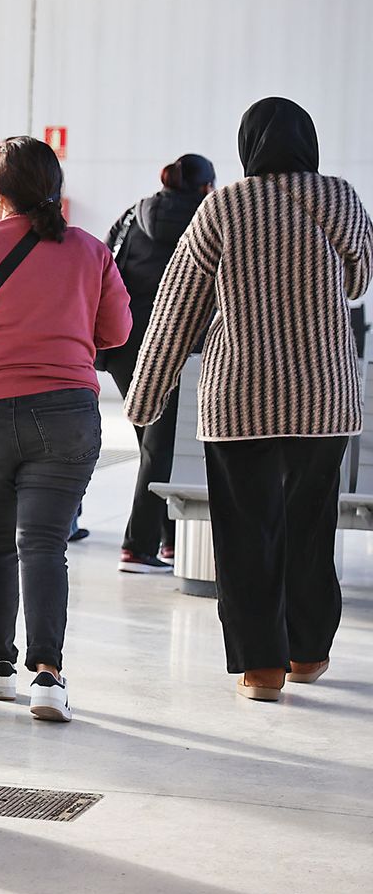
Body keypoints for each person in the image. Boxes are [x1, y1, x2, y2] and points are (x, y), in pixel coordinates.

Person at [127, 98, 371, 703]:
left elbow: (178, 307)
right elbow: (360, 279)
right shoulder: (338, 197)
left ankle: (262, 669)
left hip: (241, 402)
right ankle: (308, 651)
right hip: (323, 400)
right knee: (310, 530)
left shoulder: (223, 206)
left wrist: (145, 398)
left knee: (245, 536)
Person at [0, 136, 130, 724]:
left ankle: (0, 667)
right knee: (44, 544)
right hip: (65, 412)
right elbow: (116, 329)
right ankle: (48, 676)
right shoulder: (90, 250)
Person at [97, 153, 215, 573]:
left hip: (125, 346)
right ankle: (139, 545)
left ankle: (168, 540)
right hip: (175, 344)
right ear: (205, 187)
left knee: (153, 443)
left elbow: (106, 269)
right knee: (160, 446)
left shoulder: (133, 214)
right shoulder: (209, 219)